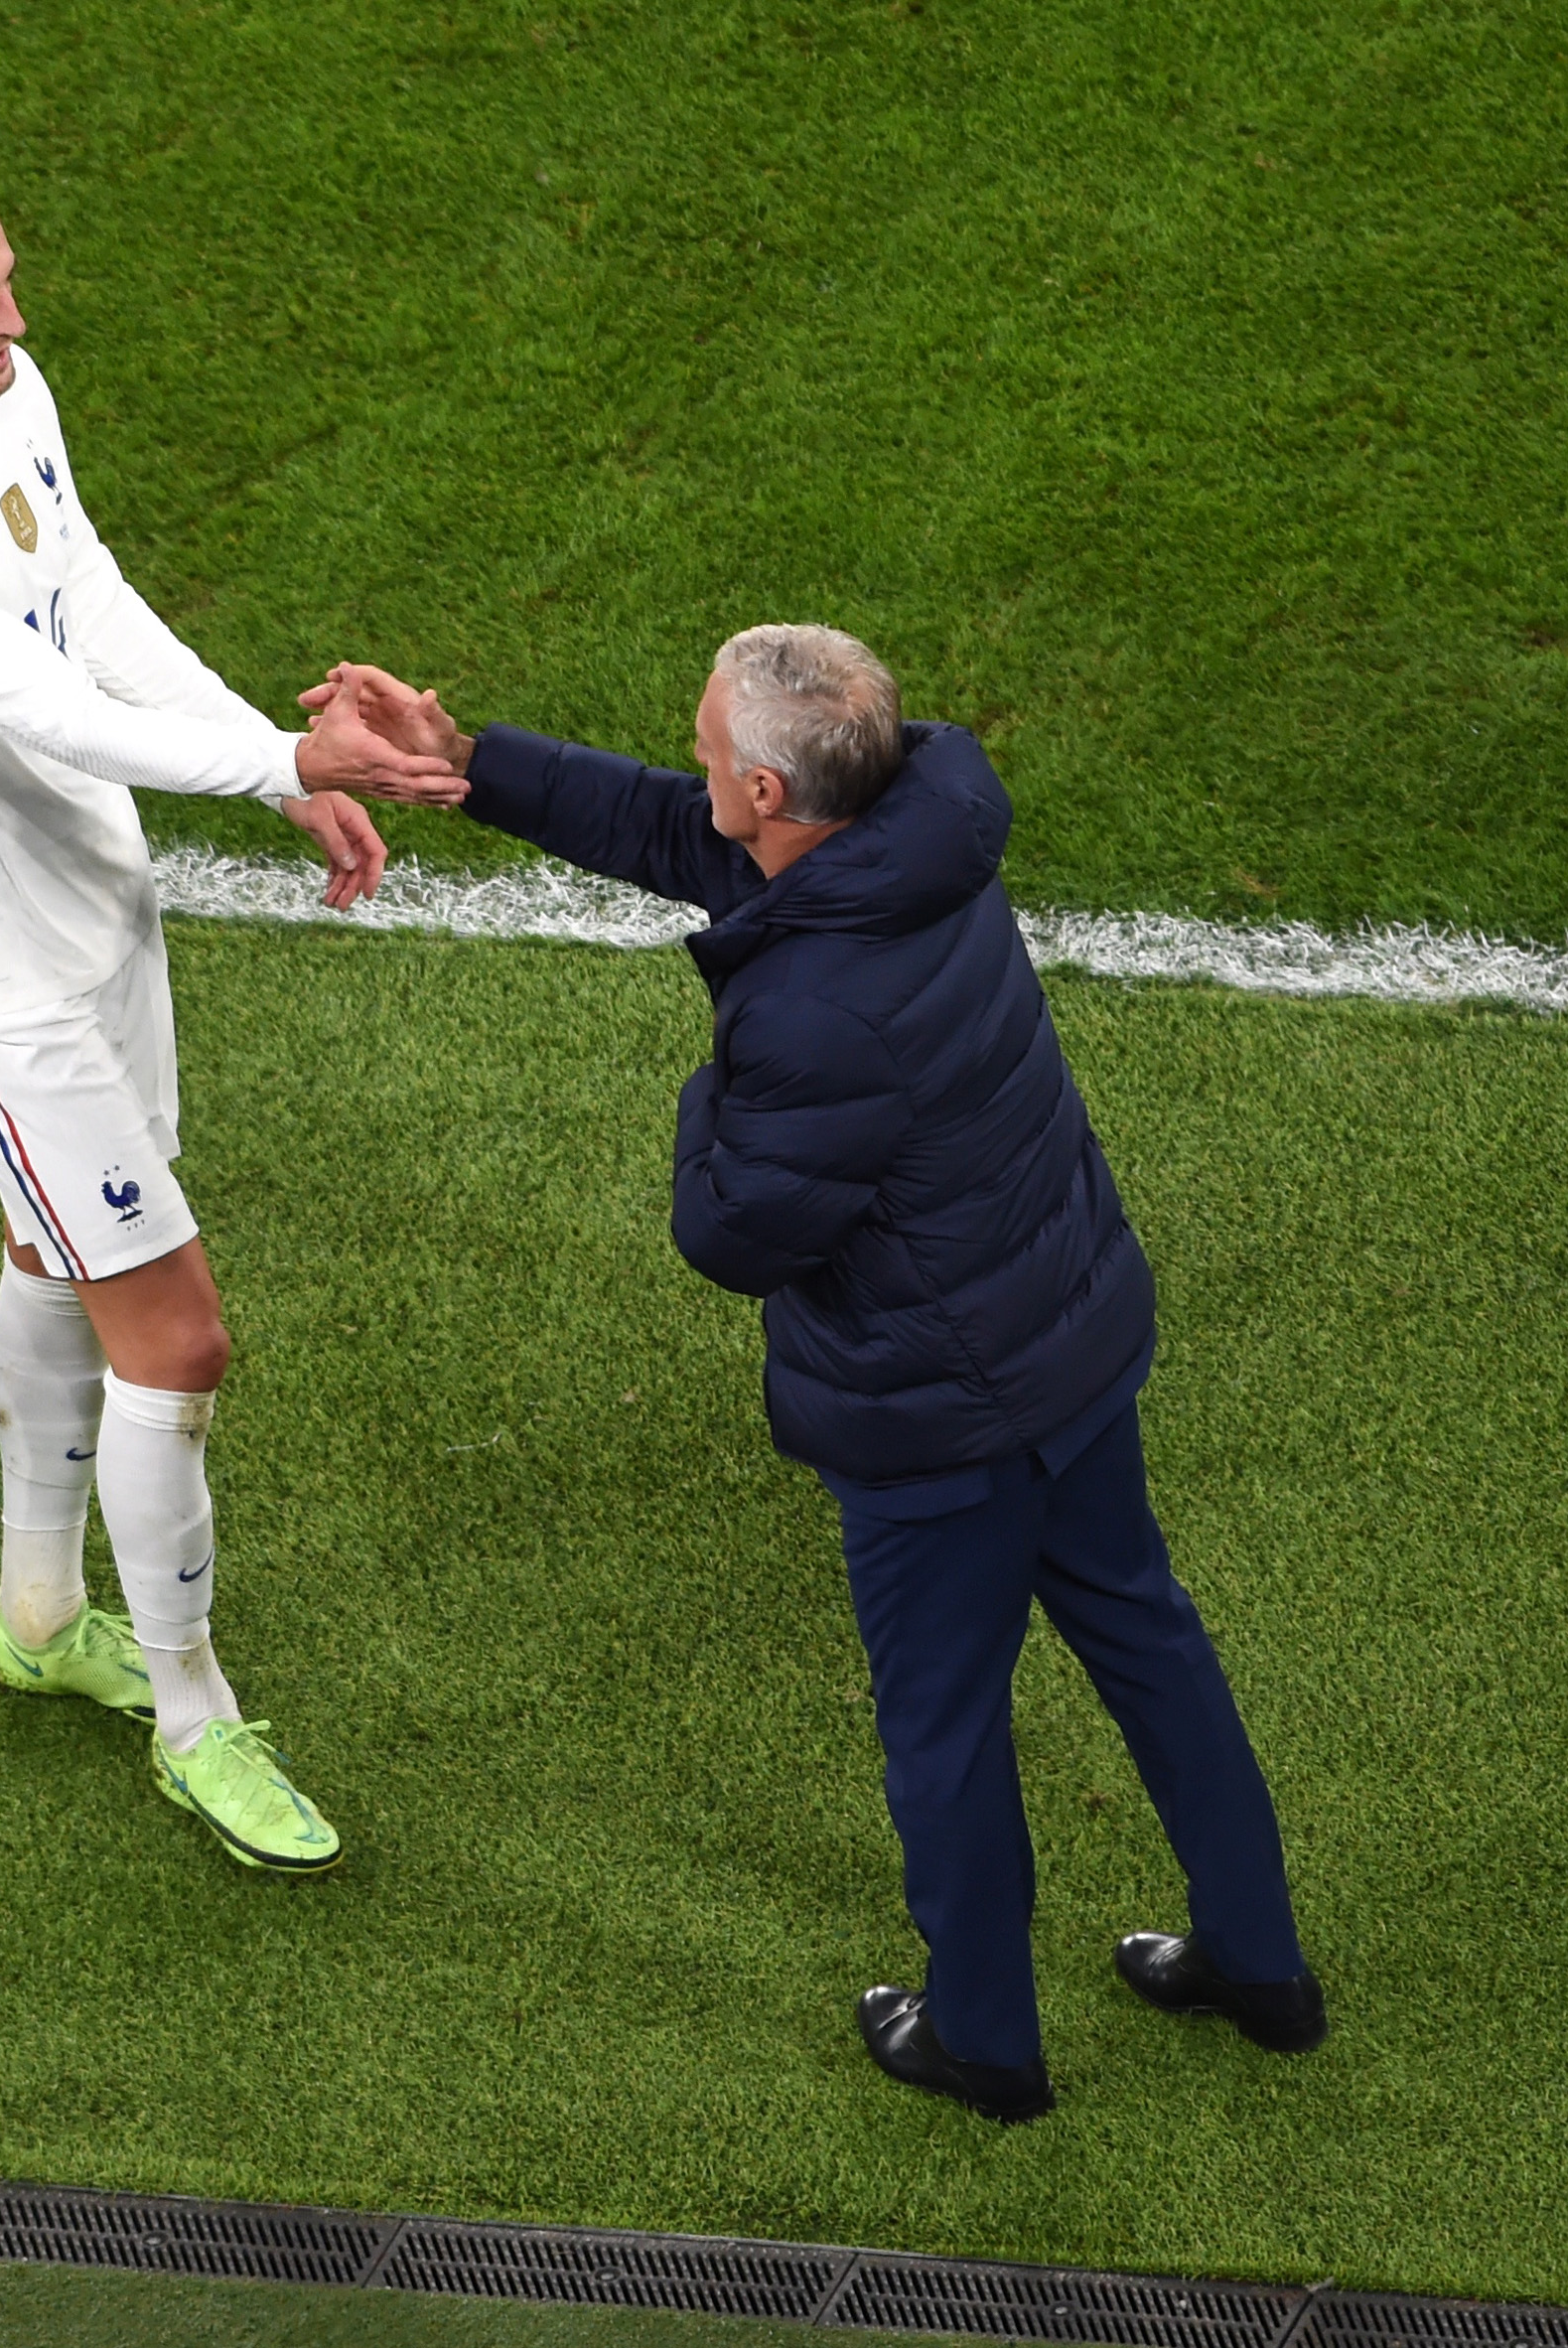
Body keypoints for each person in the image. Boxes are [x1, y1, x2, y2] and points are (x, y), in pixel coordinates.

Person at [311, 631, 1324, 2113]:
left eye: (717, 749)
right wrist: (469, 765)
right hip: (1067, 1334)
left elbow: (730, 1232)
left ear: (776, 784)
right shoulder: (912, 836)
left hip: (939, 1413)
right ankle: (1263, 1969)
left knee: (943, 1728)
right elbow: (681, 826)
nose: (698, 764)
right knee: (1150, 1644)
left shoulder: (810, 1002)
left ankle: (981, 2040)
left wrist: (706, 1089)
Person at [0, 161, 465, 1874]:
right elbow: (37, 708)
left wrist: (270, 769)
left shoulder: (9, 395)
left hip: (100, 913)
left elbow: (92, 606)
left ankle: (33, 1614)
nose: (11, 322)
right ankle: (192, 1714)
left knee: (47, 1258)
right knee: (178, 1340)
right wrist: (286, 756)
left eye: (9, 283)